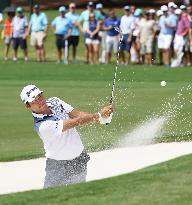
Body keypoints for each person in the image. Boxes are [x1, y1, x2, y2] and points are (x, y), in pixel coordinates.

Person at [20, 84, 113, 188]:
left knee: (77, 196)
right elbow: (75, 122)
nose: (40, 100)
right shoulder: (42, 126)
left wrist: (100, 119)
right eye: (34, 100)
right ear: (28, 105)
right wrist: (98, 115)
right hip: (58, 167)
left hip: (79, 160)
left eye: (40, 96)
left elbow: (78, 115)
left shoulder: (55, 101)